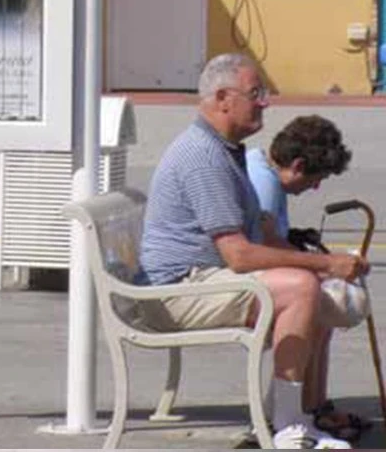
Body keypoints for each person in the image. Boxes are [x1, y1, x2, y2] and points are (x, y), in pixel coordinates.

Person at [140, 53, 368, 449]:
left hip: (198, 278)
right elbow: (240, 257)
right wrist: (326, 263)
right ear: (224, 98)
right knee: (300, 289)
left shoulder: (225, 150)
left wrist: (324, 270)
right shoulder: (204, 157)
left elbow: (259, 234)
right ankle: (288, 426)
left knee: (310, 284)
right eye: (256, 93)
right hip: (178, 290)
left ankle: (298, 415)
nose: (265, 102)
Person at [246, 116, 365, 442]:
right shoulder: (264, 181)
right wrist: (325, 266)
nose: (315, 188)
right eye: (317, 179)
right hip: (239, 280)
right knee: (316, 300)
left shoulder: (265, 172)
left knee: (317, 295)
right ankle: (304, 410)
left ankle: (311, 404)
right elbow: (266, 245)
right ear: (298, 165)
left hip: (248, 273)